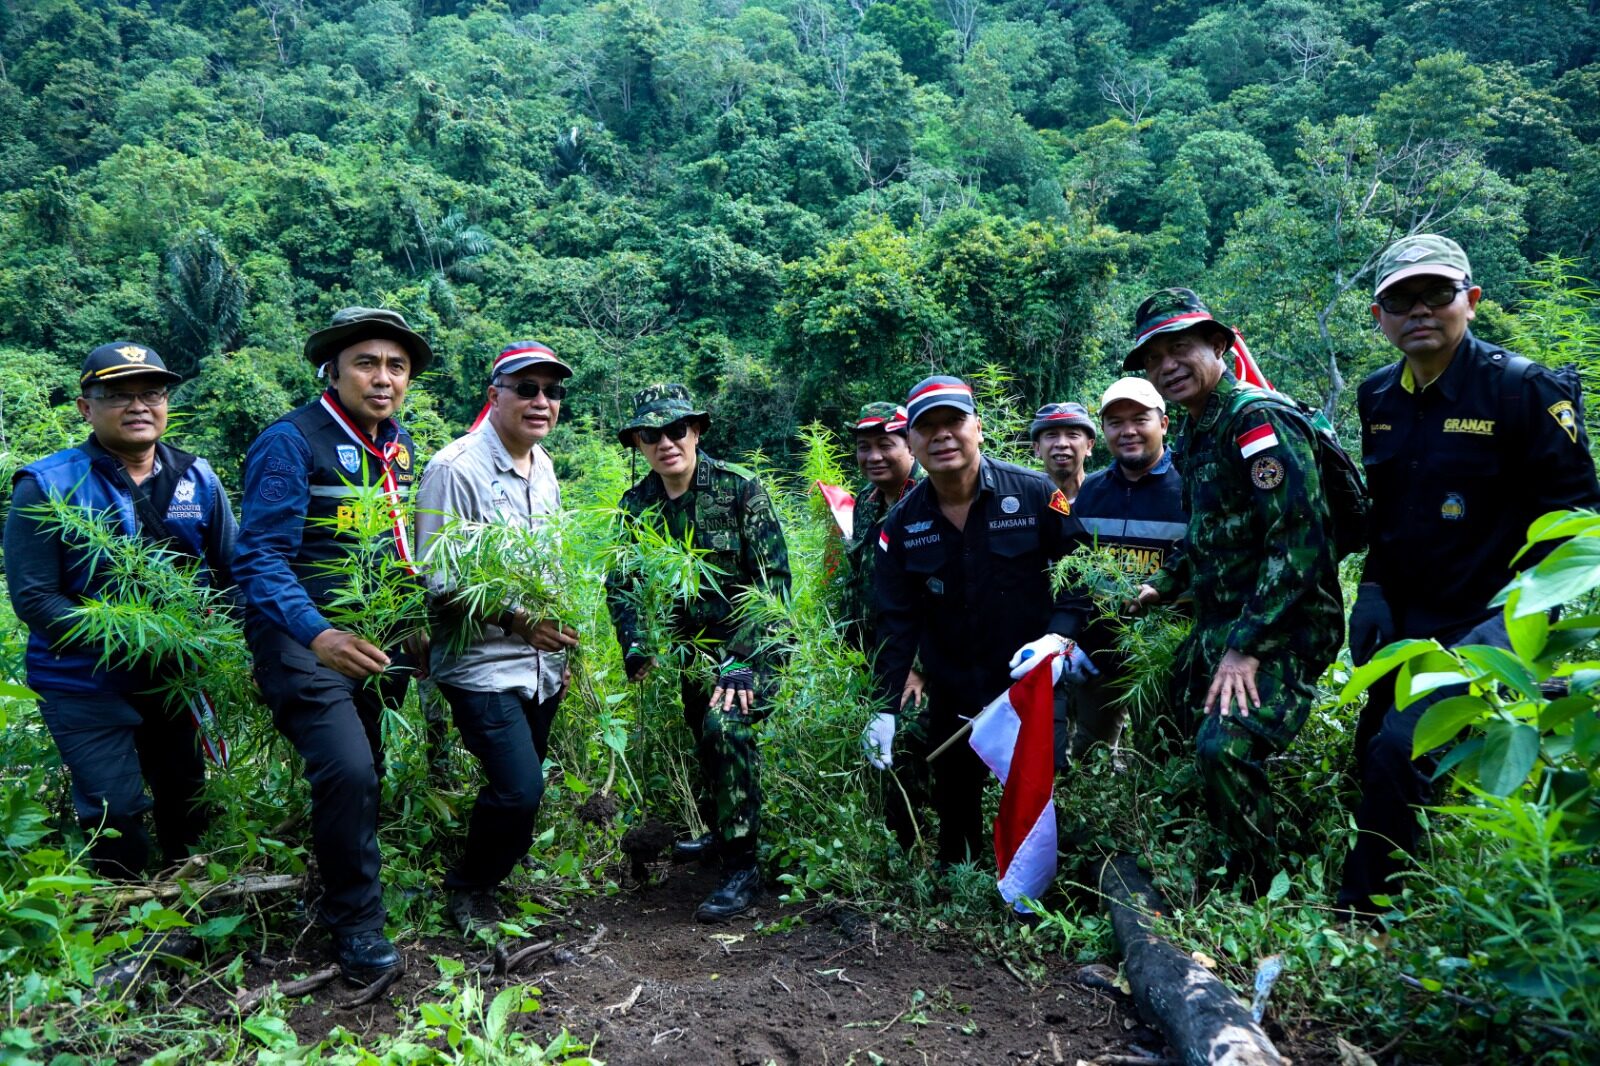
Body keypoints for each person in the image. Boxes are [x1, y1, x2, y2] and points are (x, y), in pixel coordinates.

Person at [1337, 236, 1600, 914]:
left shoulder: (1522, 388)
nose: (1419, 309)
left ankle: (1365, 916)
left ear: (1471, 301)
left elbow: (1578, 516)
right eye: (1401, 298)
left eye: (1438, 294)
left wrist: (1516, 618)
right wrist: (1370, 590)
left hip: (1500, 614)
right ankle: (1427, 876)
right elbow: (1388, 513)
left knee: (1403, 746)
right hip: (1411, 611)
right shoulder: (1378, 397)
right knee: (1371, 752)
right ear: (1379, 315)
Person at [233, 307, 428, 984]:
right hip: (300, 636)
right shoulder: (290, 442)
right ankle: (357, 926)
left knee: (362, 766)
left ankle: (336, 883)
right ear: (333, 371)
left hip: (367, 637)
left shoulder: (397, 446)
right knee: (349, 769)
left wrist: (413, 620)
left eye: (396, 366)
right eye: (366, 363)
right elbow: (258, 557)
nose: (383, 378)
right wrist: (317, 633)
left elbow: (394, 546)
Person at [1126, 289, 1342, 891]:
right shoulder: (1197, 429)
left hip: (1285, 622)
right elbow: (1207, 534)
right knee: (1164, 722)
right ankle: (1192, 849)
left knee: (1225, 748)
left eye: (1181, 348)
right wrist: (1160, 586)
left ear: (1219, 345)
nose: (1167, 365)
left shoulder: (1255, 419)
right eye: (1154, 358)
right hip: (1222, 619)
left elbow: (1300, 541)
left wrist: (1246, 645)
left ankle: (1254, 888)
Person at [6, 342, 235, 880]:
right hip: (82, 682)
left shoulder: (197, 478)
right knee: (115, 811)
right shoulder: (46, 484)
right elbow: (35, 598)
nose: (138, 405)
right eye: (117, 394)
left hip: (176, 679)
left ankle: (195, 905)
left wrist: (228, 641)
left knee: (187, 797)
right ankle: (120, 913)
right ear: (86, 407)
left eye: (151, 392)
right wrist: (140, 636)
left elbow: (233, 575)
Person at [872, 376, 1095, 867]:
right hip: (953, 689)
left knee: (1039, 800)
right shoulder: (902, 524)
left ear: (978, 426)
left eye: (954, 421)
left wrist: (1060, 637)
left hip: (1029, 684)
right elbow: (895, 620)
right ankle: (961, 893)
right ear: (911, 441)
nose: (942, 436)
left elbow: (1081, 576)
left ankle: (1039, 896)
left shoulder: (1036, 495)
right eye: (926, 427)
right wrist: (884, 706)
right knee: (957, 817)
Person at [604, 384, 792, 922]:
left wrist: (742, 659)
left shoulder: (739, 489)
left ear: (697, 431)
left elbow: (773, 585)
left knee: (725, 728)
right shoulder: (636, 505)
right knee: (701, 735)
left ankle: (743, 865)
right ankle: (719, 832)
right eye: (650, 434)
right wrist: (636, 643)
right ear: (638, 443)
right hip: (693, 649)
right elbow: (621, 581)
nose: (665, 442)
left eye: (676, 429)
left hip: (755, 644)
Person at [415, 341, 581, 935]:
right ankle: (469, 889)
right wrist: (516, 621)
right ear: (495, 397)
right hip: (483, 662)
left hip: (543, 666)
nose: (542, 401)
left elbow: (552, 564)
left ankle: (496, 863)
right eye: (527, 389)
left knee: (521, 788)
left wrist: (562, 635)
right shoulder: (455, 469)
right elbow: (438, 580)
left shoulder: (545, 466)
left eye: (552, 391)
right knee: (518, 791)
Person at [1057, 377, 1186, 768]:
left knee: (1164, 756)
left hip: (1164, 656)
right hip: (1100, 652)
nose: (1127, 431)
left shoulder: (1191, 485)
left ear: (1163, 424)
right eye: (1115, 422)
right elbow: (1071, 568)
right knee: (1090, 756)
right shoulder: (1092, 491)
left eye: (1139, 419)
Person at [1029, 402, 1097, 502]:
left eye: (1073, 435)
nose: (1061, 444)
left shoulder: (1103, 498)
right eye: (1051, 435)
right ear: (1037, 448)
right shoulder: (1026, 501)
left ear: (1089, 446)